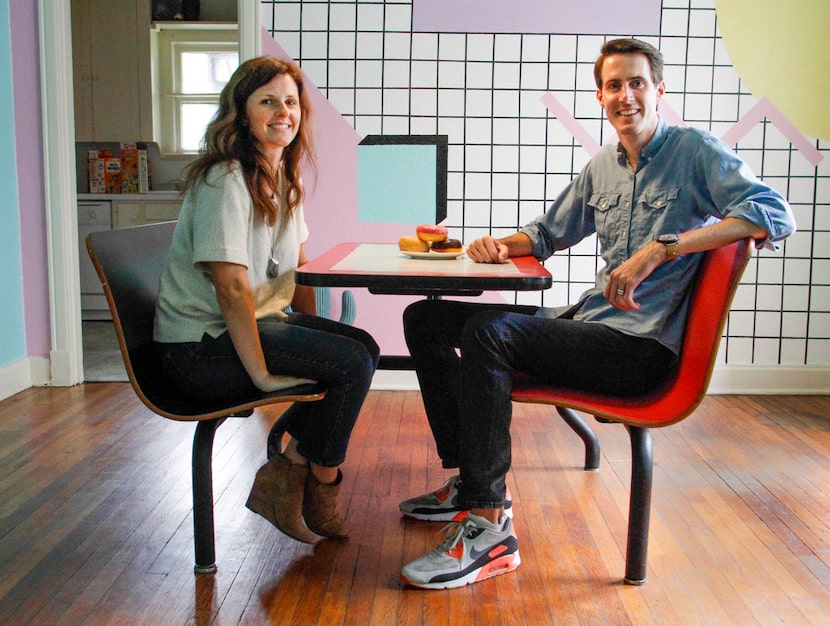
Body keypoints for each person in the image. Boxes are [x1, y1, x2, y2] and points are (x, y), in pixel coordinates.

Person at [398, 38, 796, 589]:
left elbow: (774, 212)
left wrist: (664, 246)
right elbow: (546, 234)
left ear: (659, 90)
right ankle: (469, 478)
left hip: (641, 350)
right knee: (427, 318)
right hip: (592, 326)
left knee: (491, 333)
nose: (625, 95)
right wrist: (498, 245)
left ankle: (488, 527)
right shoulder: (601, 168)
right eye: (614, 85)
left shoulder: (695, 150)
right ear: (600, 96)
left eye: (636, 83)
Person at [154, 57, 379, 544]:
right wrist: (260, 373)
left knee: (362, 349)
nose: (284, 112)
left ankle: (292, 466)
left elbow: (299, 271)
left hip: (249, 325)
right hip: (198, 348)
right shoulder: (226, 179)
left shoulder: (283, 178)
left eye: (291, 102)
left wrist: (314, 337)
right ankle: (319, 481)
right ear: (242, 112)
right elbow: (230, 287)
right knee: (351, 362)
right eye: (268, 101)